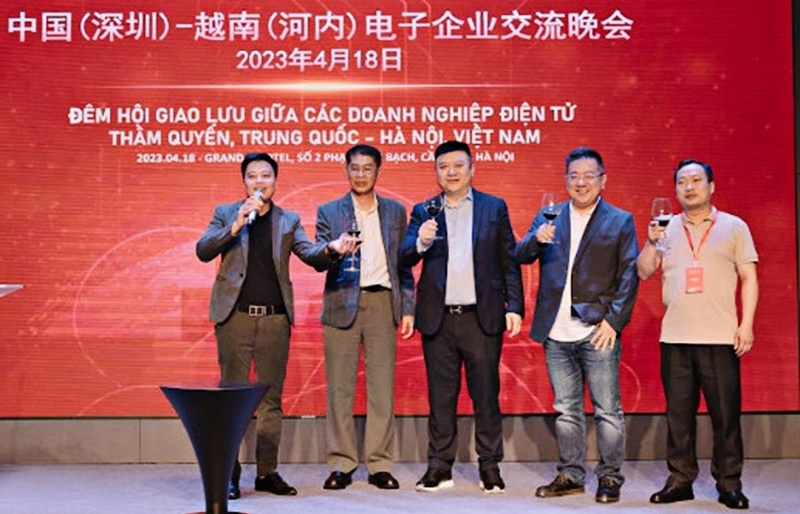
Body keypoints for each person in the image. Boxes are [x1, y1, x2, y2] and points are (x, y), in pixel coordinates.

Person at [196, 152, 351, 499]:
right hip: (234, 318)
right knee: (232, 399)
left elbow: (309, 254)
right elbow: (203, 250)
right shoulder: (226, 213)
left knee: (270, 400)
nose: (259, 181)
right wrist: (235, 225)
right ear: (244, 182)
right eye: (252, 176)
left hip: (275, 319)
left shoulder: (288, 219)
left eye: (266, 175)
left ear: (275, 181)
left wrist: (332, 248)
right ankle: (229, 474)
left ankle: (267, 472)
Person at [515, 147, 639, 504]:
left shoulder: (619, 220)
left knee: (607, 410)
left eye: (588, 176)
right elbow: (520, 255)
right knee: (566, 410)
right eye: (574, 176)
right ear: (565, 180)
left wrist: (614, 322)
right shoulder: (550, 214)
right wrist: (536, 239)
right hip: (555, 332)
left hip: (597, 330)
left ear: (603, 180)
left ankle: (610, 477)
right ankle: (570, 475)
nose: (581, 182)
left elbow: (628, 274)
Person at [399, 140, 524, 494]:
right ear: (436, 172)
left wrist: (514, 305)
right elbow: (404, 256)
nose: (451, 172)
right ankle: (439, 466)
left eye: (458, 165)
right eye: (443, 167)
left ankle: (490, 466)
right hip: (438, 319)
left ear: (472, 169)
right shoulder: (425, 210)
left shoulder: (493, 207)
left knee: (486, 394)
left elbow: (508, 259)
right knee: (441, 397)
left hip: (481, 317)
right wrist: (420, 242)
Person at [637, 159, 758, 510]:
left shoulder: (734, 226)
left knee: (725, 416)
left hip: (720, 337)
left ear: (711, 186)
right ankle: (680, 480)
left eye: (696, 180)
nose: (688, 187)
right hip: (675, 338)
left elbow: (749, 277)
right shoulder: (666, 227)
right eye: (681, 182)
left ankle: (729, 483)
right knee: (678, 416)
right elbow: (644, 271)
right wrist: (650, 243)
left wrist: (746, 324)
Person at [313, 144, 415, 490]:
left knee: (382, 389)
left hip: (382, 302)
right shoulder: (330, 211)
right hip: (341, 302)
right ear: (346, 170)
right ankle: (341, 463)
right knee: (340, 390)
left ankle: (379, 464)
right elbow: (318, 258)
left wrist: (408, 307)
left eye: (367, 168)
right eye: (354, 168)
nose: (360, 174)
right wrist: (334, 249)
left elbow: (403, 263)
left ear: (377, 172)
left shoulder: (395, 212)